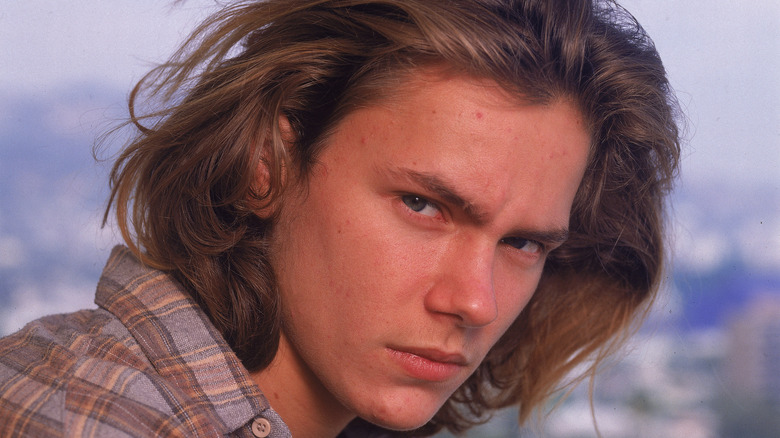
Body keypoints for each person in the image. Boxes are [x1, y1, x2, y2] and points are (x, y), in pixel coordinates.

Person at [0, 0, 681, 436]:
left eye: (525, 242)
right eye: (423, 205)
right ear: (266, 162)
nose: (475, 300)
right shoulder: (99, 421)